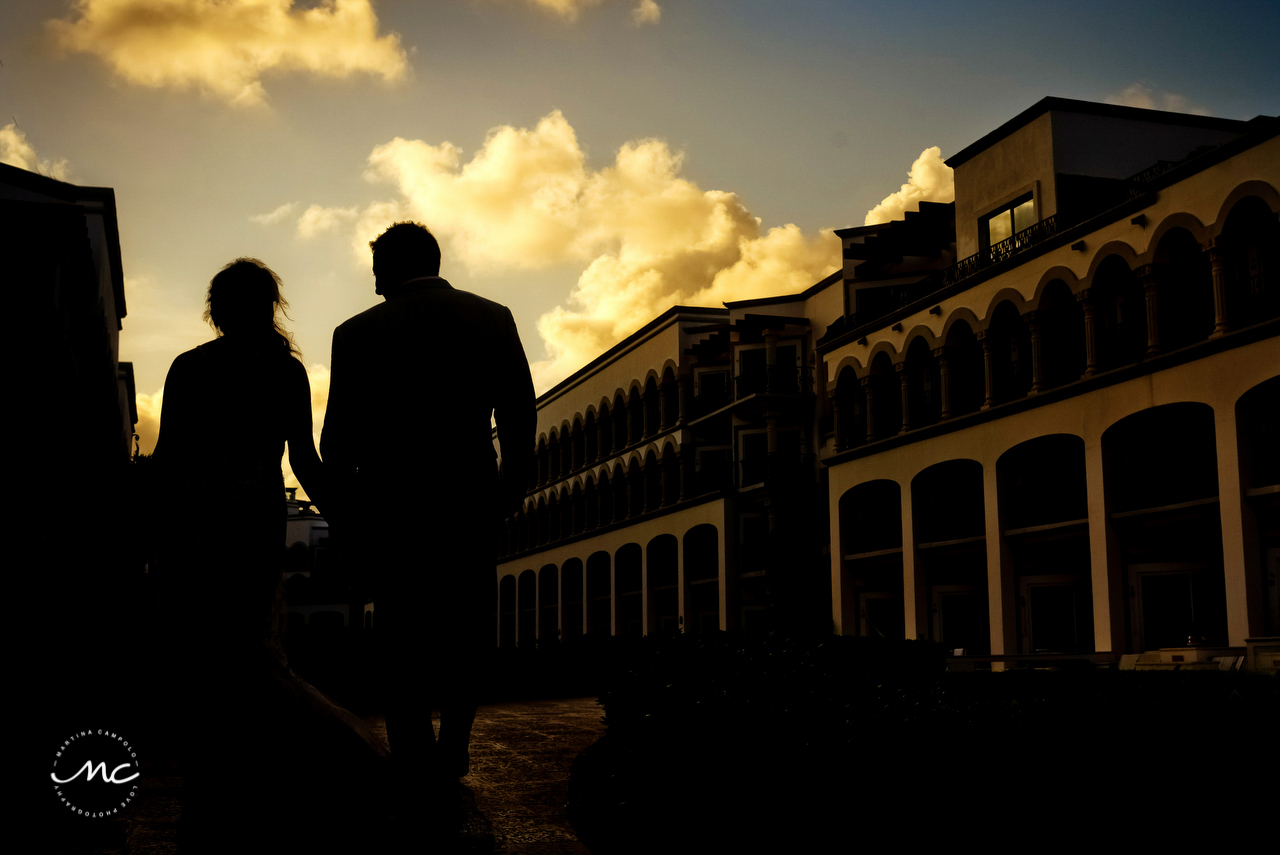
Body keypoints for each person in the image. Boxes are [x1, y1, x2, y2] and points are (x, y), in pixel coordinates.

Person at [153, 258, 387, 850]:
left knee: (209, 648)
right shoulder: (285, 371)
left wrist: (157, 529)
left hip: (196, 521)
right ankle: (310, 756)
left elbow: (168, 460)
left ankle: (218, 772)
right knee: (254, 644)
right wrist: (347, 521)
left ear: (215, 308)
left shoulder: (187, 367)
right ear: (270, 306)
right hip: (255, 517)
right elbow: (304, 462)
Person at [321, 222, 536, 819]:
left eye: (374, 271)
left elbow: (337, 436)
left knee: (402, 629)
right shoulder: (493, 316)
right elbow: (519, 409)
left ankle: (413, 747)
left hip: (391, 505)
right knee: (468, 622)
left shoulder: (356, 332)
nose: (371, 282)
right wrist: (513, 485)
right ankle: (457, 742)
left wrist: (344, 512)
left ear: (388, 268)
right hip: (469, 495)